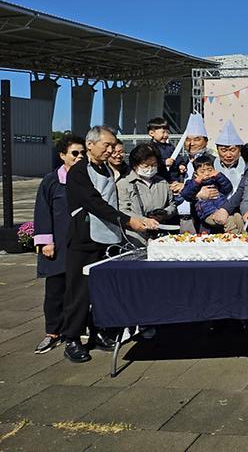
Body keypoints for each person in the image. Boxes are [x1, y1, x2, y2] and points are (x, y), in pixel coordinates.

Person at [62, 126, 158, 363]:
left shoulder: (105, 167)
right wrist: (128, 222)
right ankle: (72, 338)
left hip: (106, 237)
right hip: (84, 239)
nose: (111, 149)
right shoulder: (78, 172)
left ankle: (99, 333)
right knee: (79, 292)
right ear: (90, 145)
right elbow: (95, 203)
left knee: (101, 289)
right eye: (107, 145)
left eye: (113, 145)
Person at [32, 135, 86, 354]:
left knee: (79, 290)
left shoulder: (87, 178)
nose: (79, 157)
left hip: (81, 244)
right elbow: (42, 211)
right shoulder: (51, 180)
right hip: (58, 245)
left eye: (82, 153)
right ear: (62, 155)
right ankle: (52, 332)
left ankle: (76, 329)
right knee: (55, 290)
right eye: (75, 153)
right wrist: (46, 241)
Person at [117, 143, 178, 245]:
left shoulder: (162, 182)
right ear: (135, 165)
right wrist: (144, 220)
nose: (150, 169)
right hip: (135, 238)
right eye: (145, 166)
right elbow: (123, 211)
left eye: (153, 165)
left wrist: (164, 213)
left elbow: (172, 205)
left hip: (160, 237)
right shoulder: (124, 183)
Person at [170, 113, 217, 233]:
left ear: (205, 142)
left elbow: (213, 190)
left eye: (197, 139)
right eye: (188, 140)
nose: (191, 143)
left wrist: (185, 188)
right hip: (179, 220)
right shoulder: (180, 163)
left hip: (203, 219)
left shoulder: (212, 162)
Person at [209, 119, 248, 231]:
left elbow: (241, 191)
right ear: (217, 150)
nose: (228, 155)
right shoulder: (209, 165)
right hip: (213, 215)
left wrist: (225, 209)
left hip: (238, 217)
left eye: (232, 150)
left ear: (239, 149)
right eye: (224, 150)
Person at [180, 155, 242, 233]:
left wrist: (219, 176)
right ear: (196, 174)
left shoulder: (216, 181)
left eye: (210, 170)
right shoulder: (192, 183)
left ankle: (243, 235)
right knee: (228, 220)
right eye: (202, 171)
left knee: (237, 217)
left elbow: (227, 188)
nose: (207, 173)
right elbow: (185, 194)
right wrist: (196, 182)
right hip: (207, 213)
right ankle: (233, 236)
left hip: (222, 209)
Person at [147, 116, 177, 182]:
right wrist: (164, 163)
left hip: (172, 179)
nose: (166, 135)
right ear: (152, 133)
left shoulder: (170, 147)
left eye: (167, 132)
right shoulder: (150, 148)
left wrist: (181, 164)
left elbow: (177, 157)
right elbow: (150, 163)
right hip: (158, 179)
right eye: (163, 132)